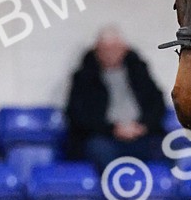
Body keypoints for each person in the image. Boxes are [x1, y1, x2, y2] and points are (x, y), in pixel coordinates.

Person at [65, 27, 167, 170]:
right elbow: (77, 116)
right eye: (105, 49)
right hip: (103, 138)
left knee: (168, 148)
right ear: (96, 50)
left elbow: (157, 105)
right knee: (100, 151)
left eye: (114, 48)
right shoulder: (84, 77)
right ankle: (117, 190)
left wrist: (143, 126)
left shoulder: (140, 73)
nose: (110, 54)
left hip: (141, 135)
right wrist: (113, 129)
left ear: (124, 49)